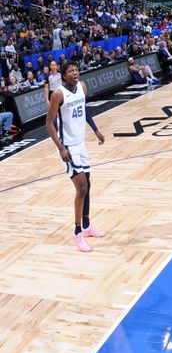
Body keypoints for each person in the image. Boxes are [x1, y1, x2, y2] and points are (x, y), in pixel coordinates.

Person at [45, 62, 106, 252]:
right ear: (64, 76)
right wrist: (61, 148)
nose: (75, 73)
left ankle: (87, 226)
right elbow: (48, 123)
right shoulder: (58, 94)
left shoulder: (82, 87)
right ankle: (77, 232)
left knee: (88, 184)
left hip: (81, 144)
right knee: (81, 187)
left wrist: (95, 130)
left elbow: (84, 109)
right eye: (70, 71)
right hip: (68, 147)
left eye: (76, 70)